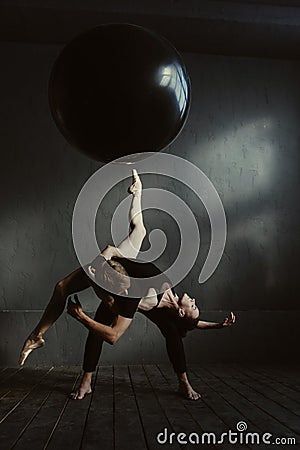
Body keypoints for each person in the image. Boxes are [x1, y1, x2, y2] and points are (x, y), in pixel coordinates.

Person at [19, 169, 235, 400]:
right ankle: (69, 366)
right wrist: (100, 262)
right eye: (195, 305)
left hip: (124, 289)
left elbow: (190, 324)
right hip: (115, 268)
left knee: (171, 332)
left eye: (193, 305)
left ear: (181, 311)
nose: (194, 300)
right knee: (68, 288)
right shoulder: (157, 282)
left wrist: (216, 326)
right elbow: (113, 252)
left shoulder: (168, 312)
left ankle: (184, 383)